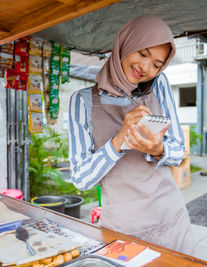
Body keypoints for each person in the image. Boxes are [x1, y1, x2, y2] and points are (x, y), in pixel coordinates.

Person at [68, 15, 194, 254]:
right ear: (125, 44)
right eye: (143, 53)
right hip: (123, 230)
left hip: (171, 221)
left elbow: (178, 151)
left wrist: (157, 150)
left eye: (157, 64)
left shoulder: (160, 85)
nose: (146, 68)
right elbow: (81, 179)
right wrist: (118, 141)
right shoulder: (83, 102)